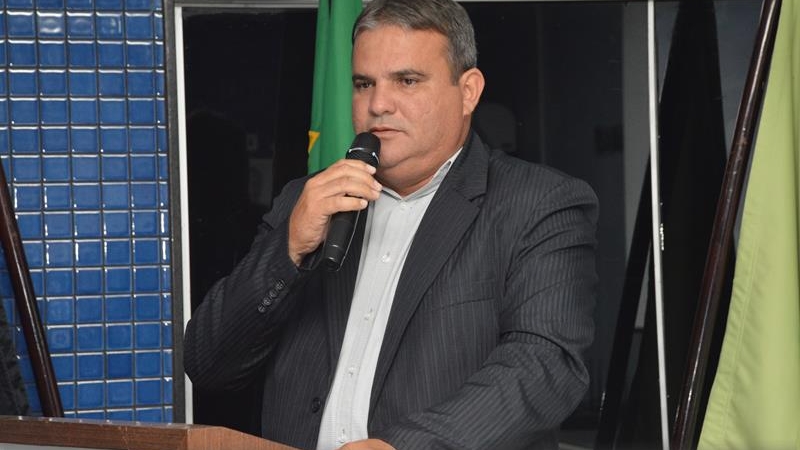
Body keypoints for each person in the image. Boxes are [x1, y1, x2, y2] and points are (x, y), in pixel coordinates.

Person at [183, 0, 599, 449]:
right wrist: (287, 250)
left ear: (468, 91)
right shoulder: (307, 200)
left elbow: (543, 365)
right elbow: (208, 365)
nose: (378, 104)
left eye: (407, 81)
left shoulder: (537, 204)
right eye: (364, 84)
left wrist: (402, 446)